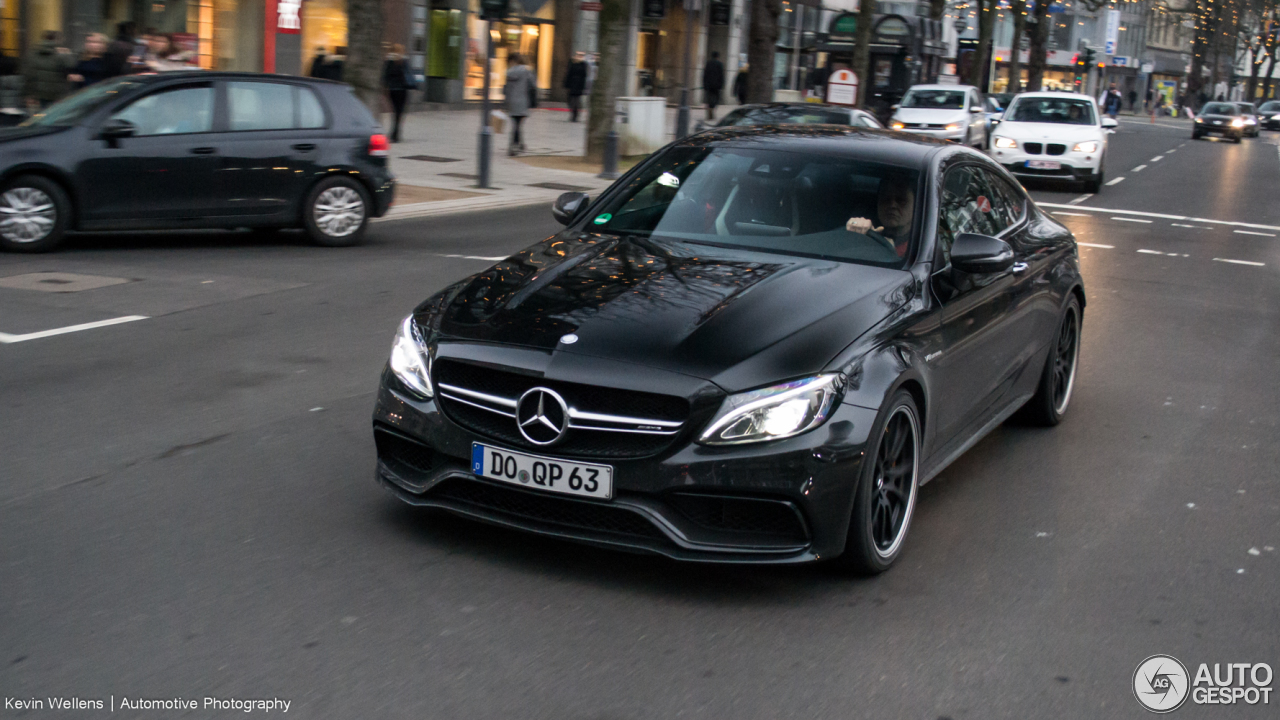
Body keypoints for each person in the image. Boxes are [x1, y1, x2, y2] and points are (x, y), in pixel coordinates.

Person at [844, 174, 915, 259]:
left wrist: (889, 251)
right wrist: (853, 234)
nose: (892, 205)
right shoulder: (867, 234)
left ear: (915, 205)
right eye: (886, 199)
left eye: (901, 200)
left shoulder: (922, 245)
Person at [23, 31, 75, 112]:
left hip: (39, 94)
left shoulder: (33, 52)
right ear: (58, 40)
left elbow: (28, 75)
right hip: (58, 94)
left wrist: (29, 94)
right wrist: (67, 54)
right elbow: (71, 67)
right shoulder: (61, 53)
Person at [382, 44, 414, 142]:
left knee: (394, 112)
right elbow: (409, 75)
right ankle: (396, 134)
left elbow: (385, 76)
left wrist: (385, 87)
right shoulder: (404, 61)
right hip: (403, 90)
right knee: (399, 113)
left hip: (392, 90)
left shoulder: (389, 62)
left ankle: (394, 133)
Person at [505, 53, 535, 155]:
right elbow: (533, 86)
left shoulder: (509, 72)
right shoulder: (527, 71)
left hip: (512, 102)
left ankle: (520, 144)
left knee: (516, 124)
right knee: (517, 125)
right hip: (523, 101)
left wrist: (506, 102)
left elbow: (506, 90)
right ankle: (513, 146)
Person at [563, 51, 587, 122]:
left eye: (581, 55)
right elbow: (569, 74)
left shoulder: (583, 64)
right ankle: (573, 113)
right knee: (571, 100)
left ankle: (575, 114)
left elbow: (584, 76)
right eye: (578, 55)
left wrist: (583, 86)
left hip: (578, 85)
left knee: (576, 100)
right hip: (572, 84)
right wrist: (567, 85)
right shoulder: (572, 63)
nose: (580, 57)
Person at [702, 51, 725, 120]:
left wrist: (705, 84)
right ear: (717, 56)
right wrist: (721, 85)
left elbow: (705, 75)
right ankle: (712, 109)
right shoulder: (720, 64)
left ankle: (710, 110)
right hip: (717, 85)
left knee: (709, 98)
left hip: (709, 85)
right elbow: (721, 76)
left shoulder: (708, 64)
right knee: (716, 99)